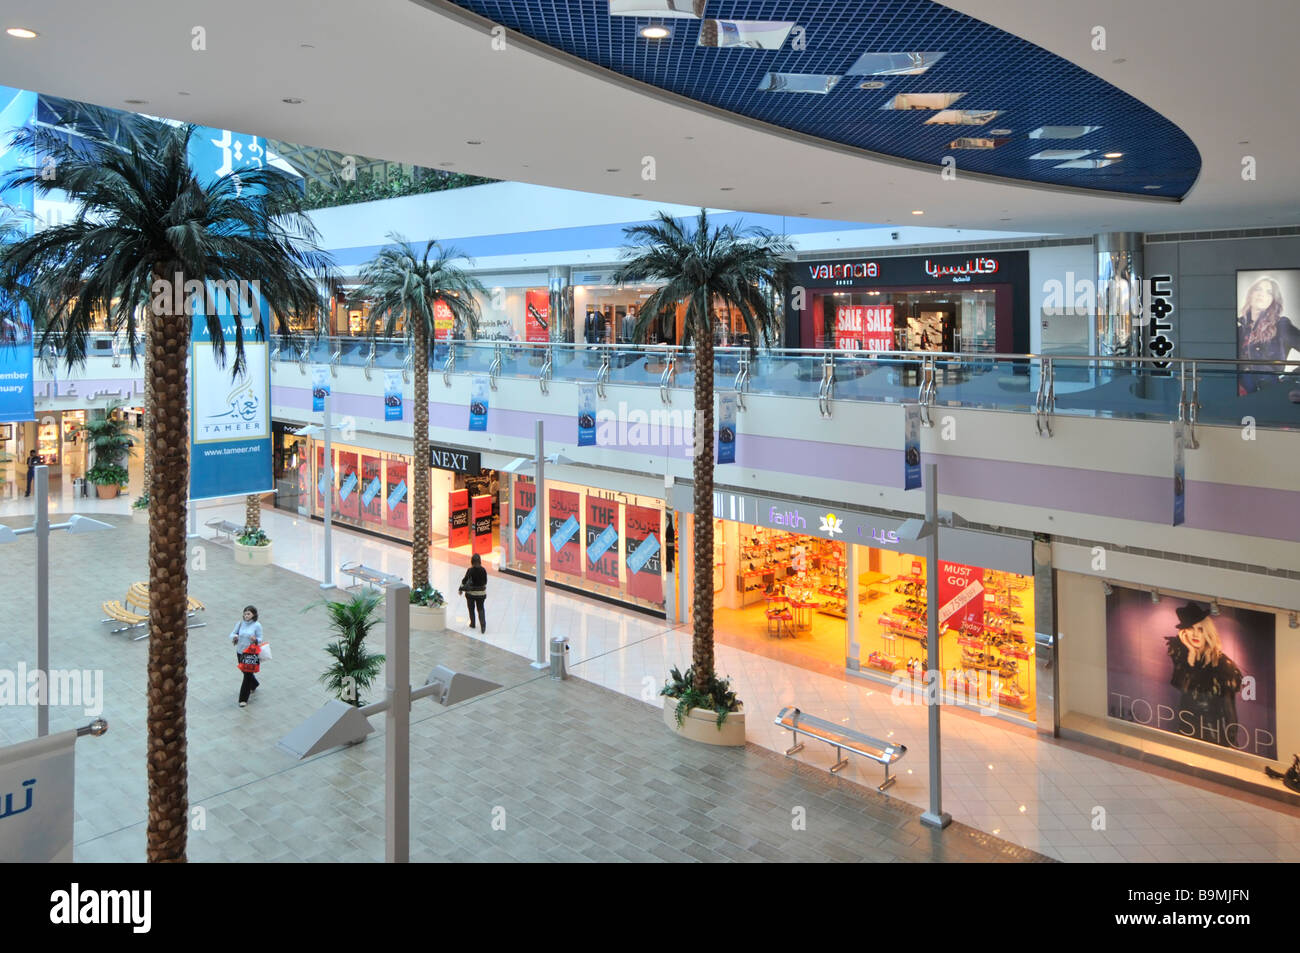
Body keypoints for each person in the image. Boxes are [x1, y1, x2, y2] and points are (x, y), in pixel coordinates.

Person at [1165, 602, 1243, 750]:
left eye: (1200, 629)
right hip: (1186, 727)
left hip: (1212, 734)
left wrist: (1230, 744)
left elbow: (1229, 712)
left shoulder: (1222, 665)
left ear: (1208, 632)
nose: (1195, 634)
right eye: (1190, 628)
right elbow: (1182, 689)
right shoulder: (1183, 658)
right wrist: (1190, 658)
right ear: (1184, 632)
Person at [1238, 276, 1300, 394]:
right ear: (1251, 294)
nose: (1262, 294)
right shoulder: (1240, 329)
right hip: (1240, 393)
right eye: (1258, 289)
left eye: (1269, 292)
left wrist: (1289, 379)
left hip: (1268, 392)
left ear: (1273, 300)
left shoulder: (1281, 325)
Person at [230, 605, 264, 707]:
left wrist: (256, 640)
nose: (246, 616)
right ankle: (254, 684)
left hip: (250, 653)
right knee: (244, 671)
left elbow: (260, 638)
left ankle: (243, 699)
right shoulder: (240, 624)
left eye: (248, 614)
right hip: (240, 651)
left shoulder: (257, 625)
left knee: (247, 676)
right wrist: (235, 636)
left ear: (253, 614)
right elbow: (232, 634)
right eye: (245, 613)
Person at [459, 553, 488, 633]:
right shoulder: (483, 570)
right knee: (481, 609)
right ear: (480, 561)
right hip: (481, 594)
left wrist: (460, 589)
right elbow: (485, 581)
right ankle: (483, 626)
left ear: (472, 561)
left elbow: (464, 580)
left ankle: (473, 623)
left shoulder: (470, 570)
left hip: (471, 594)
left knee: (471, 608)